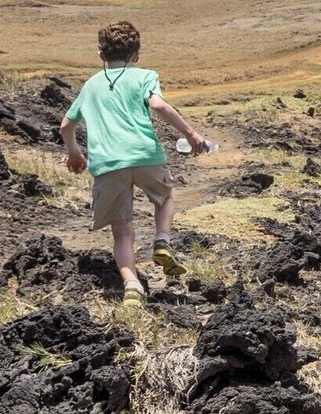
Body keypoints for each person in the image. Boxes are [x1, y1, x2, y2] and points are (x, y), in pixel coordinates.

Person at [58, 21, 208, 307]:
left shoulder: (90, 85)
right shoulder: (145, 76)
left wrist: (75, 154)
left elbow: (66, 125)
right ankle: (162, 240)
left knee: (121, 229)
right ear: (137, 53)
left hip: (108, 164)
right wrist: (190, 133)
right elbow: (159, 106)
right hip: (145, 156)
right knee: (164, 199)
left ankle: (132, 286)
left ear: (100, 54)